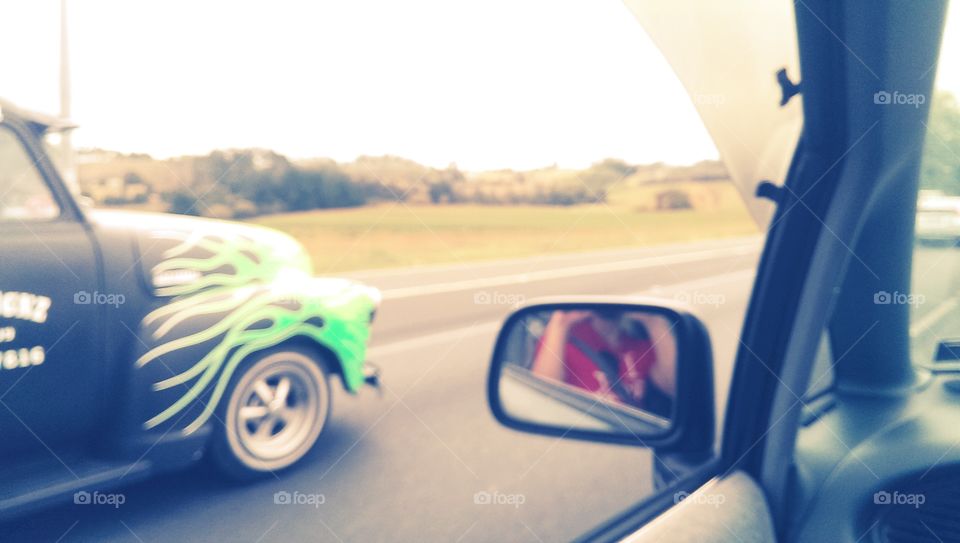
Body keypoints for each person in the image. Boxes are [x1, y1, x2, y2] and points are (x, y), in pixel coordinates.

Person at [530, 309, 675, 417]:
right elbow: (542, 400)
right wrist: (560, 323)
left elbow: (673, 387)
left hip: (631, 437)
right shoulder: (562, 343)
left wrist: (655, 321)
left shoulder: (640, 348)